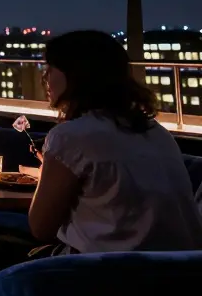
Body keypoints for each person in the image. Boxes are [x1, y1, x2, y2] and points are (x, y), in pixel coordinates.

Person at [28, 30, 202, 254]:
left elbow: (40, 227)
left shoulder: (69, 137)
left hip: (108, 274)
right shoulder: (157, 132)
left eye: (50, 68)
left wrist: (47, 174)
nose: (45, 78)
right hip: (179, 273)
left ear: (75, 74)